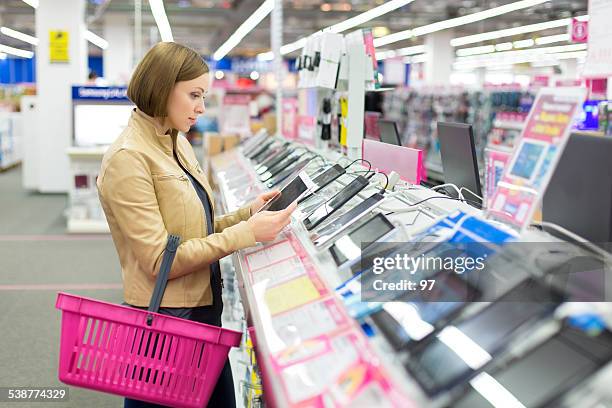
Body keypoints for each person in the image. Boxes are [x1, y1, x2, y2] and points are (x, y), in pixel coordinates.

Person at [96, 42, 295, 408]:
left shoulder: (177, 143)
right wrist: (244, 235)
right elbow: (160, 261)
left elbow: (190, 233)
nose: (202, 107)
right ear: (162, 87)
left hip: (203, 315)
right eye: (194, 95)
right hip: (166, 328)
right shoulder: (128, 159)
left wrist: (246, 215)